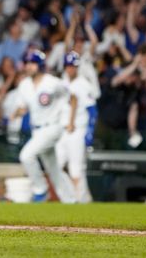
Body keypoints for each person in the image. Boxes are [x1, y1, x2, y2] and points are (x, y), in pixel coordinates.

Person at [15, 50, 76, 203]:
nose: (29, 67)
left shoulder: (52, 82)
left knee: (26, 155)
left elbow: (72, 96)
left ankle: (40, 190)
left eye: (33, 63)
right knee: (53, 169)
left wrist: (70, 121)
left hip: (52, 127)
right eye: (27, 63)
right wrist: (15, 113)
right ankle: (70, 200)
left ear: (40, 65)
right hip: (37, 130)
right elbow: (23, 107)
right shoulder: (24, 85)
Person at [54, 52, 94, 202]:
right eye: (68, 66)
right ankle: (71, 198)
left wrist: (89, 133)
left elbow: (92, 111)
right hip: (62, 130)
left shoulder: (84, 84)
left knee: (76, 170)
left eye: (73, 66)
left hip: (77, 130)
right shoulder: (62, 83)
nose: (70, 69)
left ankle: (82, 201)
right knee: (55, 166)